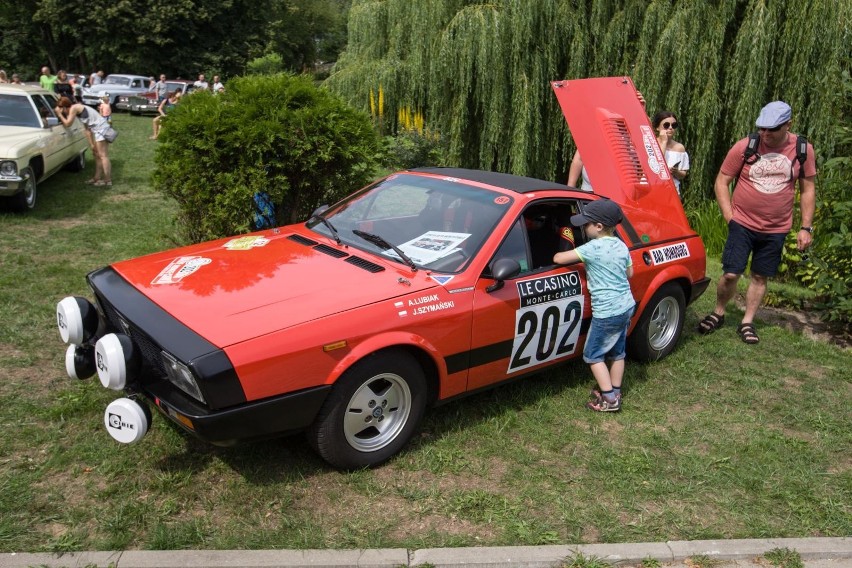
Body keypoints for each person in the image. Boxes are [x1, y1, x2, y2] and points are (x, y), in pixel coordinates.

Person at [698, 101, 816, 345]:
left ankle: (747, 321)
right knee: (731, 273)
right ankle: (719, 312)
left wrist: (806, 227)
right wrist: (730, 217)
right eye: (762, 128)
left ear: (788, 125)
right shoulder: (746, 146)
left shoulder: (803, 149)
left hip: (777, 228)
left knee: (761, 276)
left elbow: (807, 190)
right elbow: (722, 181)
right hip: (742, 223)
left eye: (772, 129)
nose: (765, 134)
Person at [553, 199, 634, 412]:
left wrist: (567, 240)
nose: (582, 227)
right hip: (626, 306)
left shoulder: (592, 248)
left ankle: (609, 400)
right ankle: (615, 389)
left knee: (593, 354)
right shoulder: (621, 245)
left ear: (598, 227)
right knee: (618, 352)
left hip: (607, 312)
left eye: (586, 224)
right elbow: (629, 273)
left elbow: (559, 258)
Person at [55, 97, 113, 187]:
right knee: (96, 155)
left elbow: (67, 124)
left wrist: (59, 115)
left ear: (65, 107)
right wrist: (92, 145)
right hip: (98, 130)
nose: (64, 113)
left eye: (63, 110)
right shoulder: (79, 111)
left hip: (102, 129)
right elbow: (87, 129)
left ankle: (107, 181)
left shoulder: (74, 108)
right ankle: (96, 178)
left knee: (103, 156)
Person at [652, 111, 689, 196]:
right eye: (666, 125)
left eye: (674, 125)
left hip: (672, 191)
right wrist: (664, 142)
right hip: (653, 188)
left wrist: (676, 172)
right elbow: (655, 165)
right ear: (657, 127)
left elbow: (683, 174)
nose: (670, 128)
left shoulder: (679, 148)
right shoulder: (651, 143)